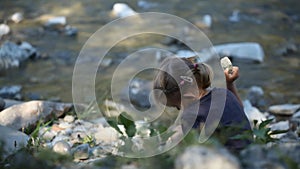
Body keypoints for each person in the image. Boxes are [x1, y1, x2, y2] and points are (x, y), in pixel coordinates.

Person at [153, 57, 252, 151]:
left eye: (177, 106)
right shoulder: (224, 93)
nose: (179, 110)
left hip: (231, 160)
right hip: (250, 149)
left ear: (188, 95)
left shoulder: (192, 114)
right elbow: (240, 109)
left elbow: (190, 148)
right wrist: (229, 84)